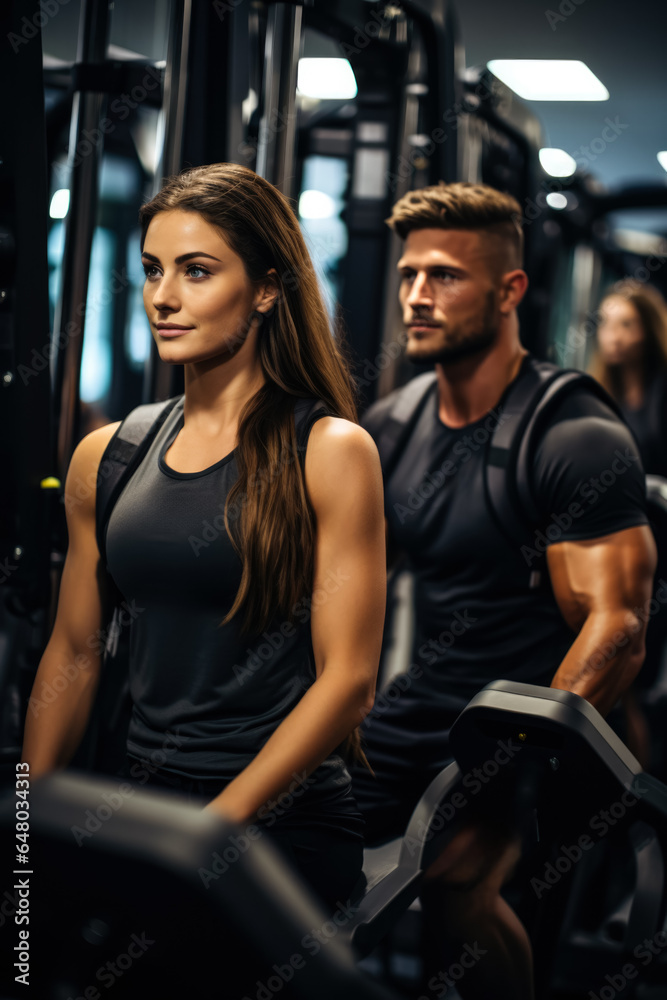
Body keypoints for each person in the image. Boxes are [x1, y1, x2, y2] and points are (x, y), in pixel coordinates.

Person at [21, 162, 386, 915]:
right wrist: (28, 826)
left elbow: (347, 681)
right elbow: (74, 651)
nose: (163, 296)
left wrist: (210, 832)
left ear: (265, 288)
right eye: (153, 270)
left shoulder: (330, 451)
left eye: (196, 271)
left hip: (282, 819)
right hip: (140, 799)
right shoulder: (108, 455)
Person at [350, 181, 657, 1000]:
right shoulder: (394, 423)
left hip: (525, 735)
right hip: (409, 716)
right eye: (410, 274)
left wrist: (500, 770)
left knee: (459, 879)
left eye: (444, 275)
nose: (416, 295)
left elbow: (615, 628)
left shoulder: (572, 436)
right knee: (273, 846)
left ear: (509, 289)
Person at [590, 280, 667, 477]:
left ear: (648, 329)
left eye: (626, 324)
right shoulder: (595, 392)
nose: (613, 337)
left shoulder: (661, 390)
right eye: (604, 323)